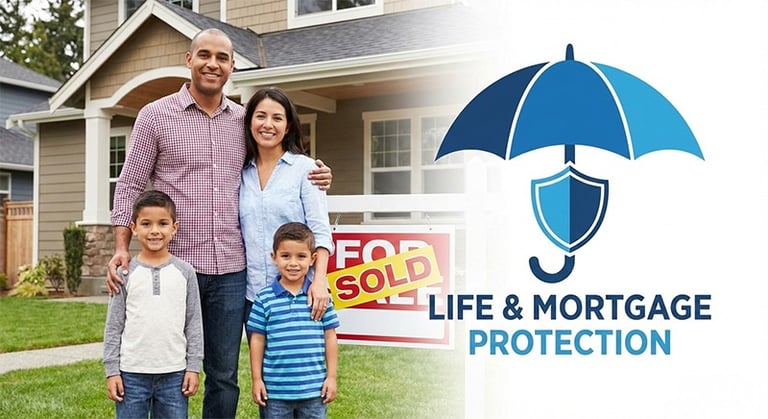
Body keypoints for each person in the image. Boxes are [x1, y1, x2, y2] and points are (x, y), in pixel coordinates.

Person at [107, 28, 333, 419]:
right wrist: (121, 247)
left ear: (232, 66)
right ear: (189, 59)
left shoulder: (243, 121)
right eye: (205, 55)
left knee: (223, 375)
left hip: (231, 271)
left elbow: (278, 158)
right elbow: (128, 184)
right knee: (170, 364)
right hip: (176, 266)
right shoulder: (155, 116)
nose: (213, 64)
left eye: (222, 58)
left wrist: (319, 173)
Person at [103, 190, 203, 418]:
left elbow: (194, 323)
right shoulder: (124, 273)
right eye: (146, 224)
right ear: (134, 228)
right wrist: (112, 371)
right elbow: (114, 325)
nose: (155, 231)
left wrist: (193, 367)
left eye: (163, 223)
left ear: (174, 228)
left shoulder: (186, 272)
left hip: (174, 374)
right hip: (131, 374)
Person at [239, 87, 334, 327]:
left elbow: (320, 231)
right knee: (262, 365)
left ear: (288, 125)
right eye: (260, 116)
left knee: (300, 362)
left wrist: (319, 281)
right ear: (250, 121)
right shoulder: (240, 172)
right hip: (255, 295)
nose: (268, 124)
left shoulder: (307, 170)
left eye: (277, 118)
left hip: (299, 292)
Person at [246, 222, 339, 418]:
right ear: (274, 258)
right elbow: (257, 340)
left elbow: (330, 337)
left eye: (301, 256)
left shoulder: (320, 298)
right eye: (286, 256)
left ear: (313, 259)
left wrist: (331, 377)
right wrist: (257, 379)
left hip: (314, 391)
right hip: (276, 393)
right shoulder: (264, 299)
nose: (293, 263)